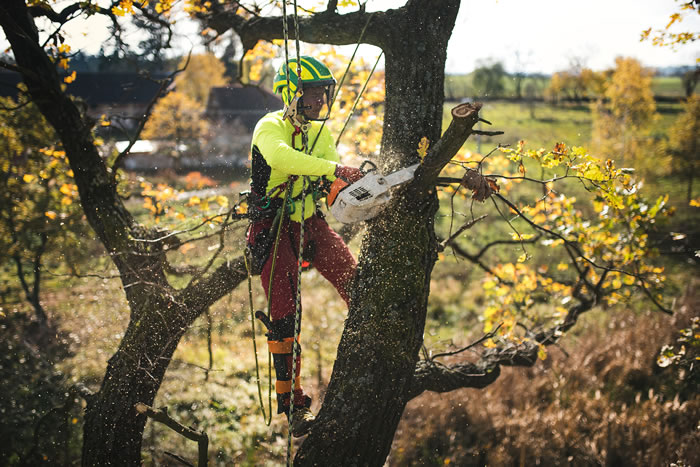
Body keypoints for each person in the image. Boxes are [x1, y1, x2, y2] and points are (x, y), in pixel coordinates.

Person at [246, 56, 363, 437]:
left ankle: (370, 353)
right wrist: (332, 171)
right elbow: (281, 157)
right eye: (311, 93)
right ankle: (292, 405)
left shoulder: (320, 134)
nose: (318, 101)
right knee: (284, 313)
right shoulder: (270, 126)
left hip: (309, 221)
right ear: (291, 94)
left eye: (321, 94)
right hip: (273, 228)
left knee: (356, 282)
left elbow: (329, 167)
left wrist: (349, 187)